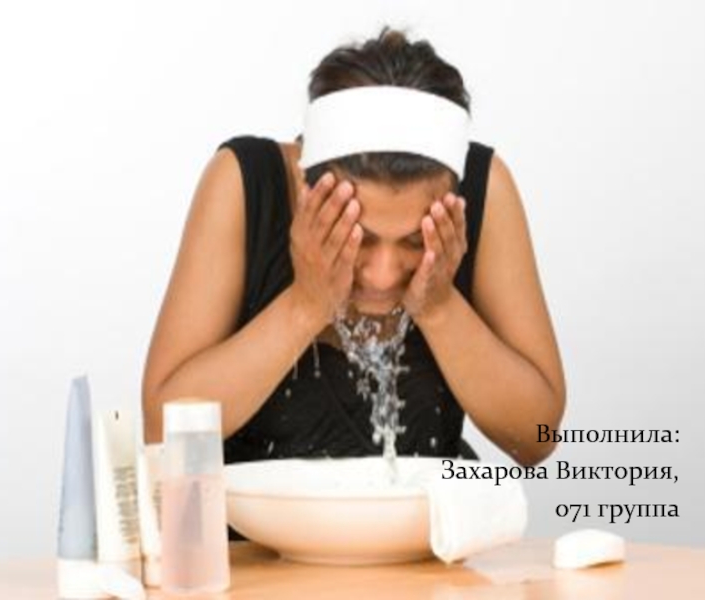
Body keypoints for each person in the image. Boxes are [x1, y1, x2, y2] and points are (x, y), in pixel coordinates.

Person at [142, 27, 566, 468]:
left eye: (415, 240)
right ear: (306, 189)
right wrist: (306, 305)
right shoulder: (243, 184)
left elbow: (536, 439)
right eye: (359, 235)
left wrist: (439, 307)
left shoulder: (484, 190)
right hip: (247, 516)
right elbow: (160, 431)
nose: (382, 276)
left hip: (428, 514)